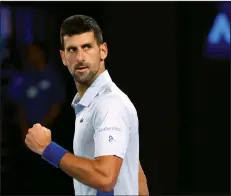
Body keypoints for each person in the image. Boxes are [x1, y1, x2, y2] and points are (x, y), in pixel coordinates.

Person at [25, 15, 149, 195]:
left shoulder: (109, 104)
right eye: (72, 50)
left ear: (103, 51)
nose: (80, 57)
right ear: (63, 57)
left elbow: (105, 179)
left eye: (87, 47)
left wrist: (48, 149)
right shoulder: (91, 103)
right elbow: (134, 173)